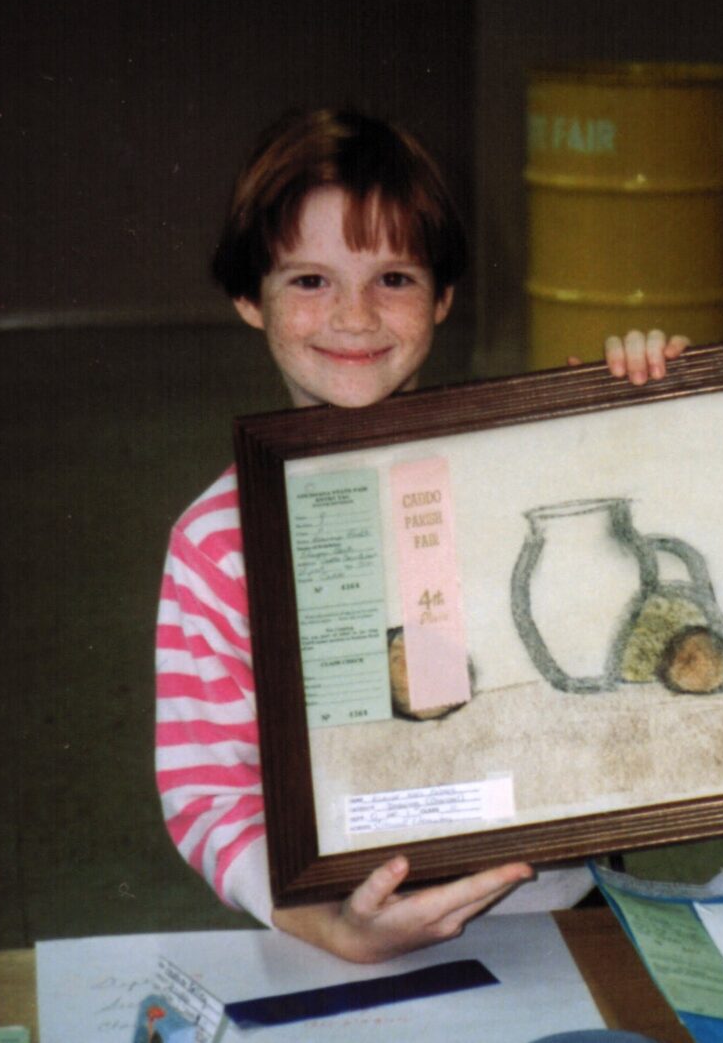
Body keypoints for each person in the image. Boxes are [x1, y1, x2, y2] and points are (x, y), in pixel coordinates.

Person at [155, 107, 687, 964]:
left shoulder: (530, 472)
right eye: (310, 280)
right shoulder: (219, 540)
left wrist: (657, 402)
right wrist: (326, 923)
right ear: (250, 298)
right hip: (341, 928)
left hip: (561, 908)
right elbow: (207, 790)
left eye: (394, 278)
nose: (355, 316)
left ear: (442, 295)